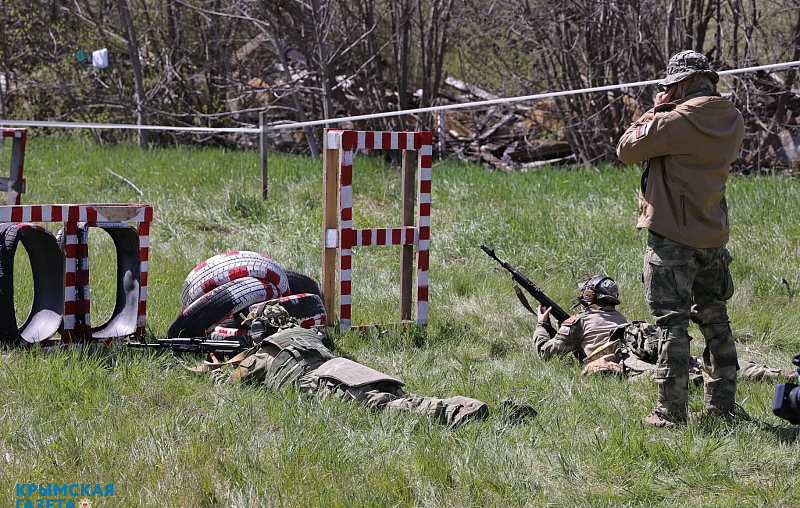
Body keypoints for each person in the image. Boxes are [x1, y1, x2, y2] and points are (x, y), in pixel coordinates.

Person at [616, 50, 745, 427]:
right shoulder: (733, 118)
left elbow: (626, 150)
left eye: (672, 85)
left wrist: (655, 110)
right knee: (716, 320)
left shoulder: (672, 120)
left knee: (672, 324)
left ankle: (670, 411)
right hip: (713, 234)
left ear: (681, 84)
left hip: (672, 237)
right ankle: (722, 406)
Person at [195, 301, 536, 428]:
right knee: (401, 399)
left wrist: (213, 372)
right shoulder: (307, 334)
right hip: (345, 368)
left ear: (260, 331)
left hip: (322, 384)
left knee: (389, 409)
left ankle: (468, 412)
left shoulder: (263, 352)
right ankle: (485, 414)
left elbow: (233, 385)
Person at [535, 274, 795, 382]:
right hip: (650, 348)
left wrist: (542, 325)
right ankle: (779, 374)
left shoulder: (578, 322)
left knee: (674, 378)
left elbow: (546, 353)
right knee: (712, 365)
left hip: (627, 360)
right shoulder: (619, 316)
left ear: (589, 297)